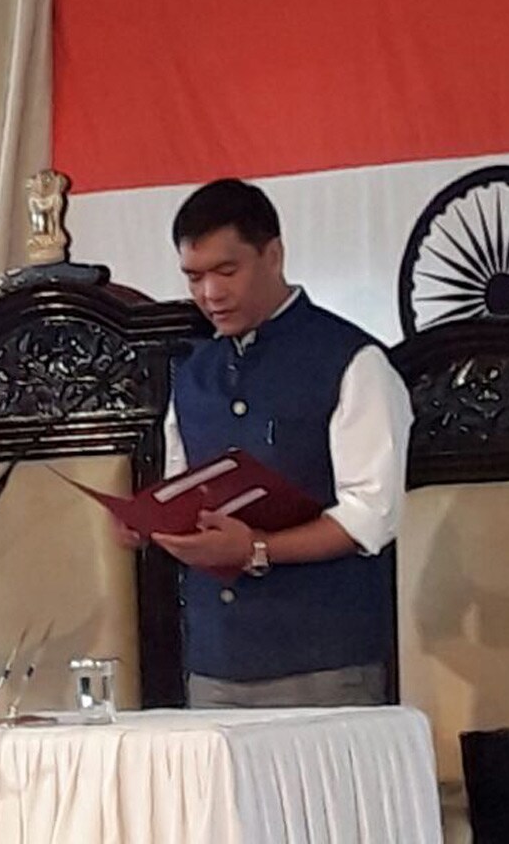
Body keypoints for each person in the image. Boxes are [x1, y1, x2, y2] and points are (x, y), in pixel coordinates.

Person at [134, 178, 412, 708]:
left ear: (274, 255)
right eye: (194, 277)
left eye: (226, 271)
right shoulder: (193, 374)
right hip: (214, 661)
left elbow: (371, 516)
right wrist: (151, 522)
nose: (210, 294)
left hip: (323, 658)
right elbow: (183, 490)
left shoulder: (351, 359)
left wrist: (256, 549)